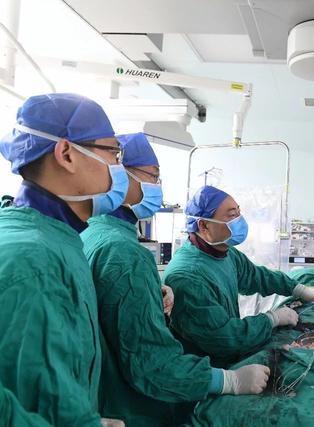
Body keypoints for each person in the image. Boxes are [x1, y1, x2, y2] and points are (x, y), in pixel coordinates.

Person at [81, 134, 271, 426]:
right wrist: (229, 381)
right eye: (153, 177)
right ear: (120, 174)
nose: (157, 187)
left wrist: (151, 294)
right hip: (130, 407)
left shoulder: (94, 232)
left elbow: (106, 303)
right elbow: (150, 363)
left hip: (102, 393)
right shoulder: (126, 254)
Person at [0, 93, 128, 426]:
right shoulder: (35, 263)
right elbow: (37, 406)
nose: (119, 168)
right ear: (67, 154)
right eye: (113, 153)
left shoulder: (55, 237)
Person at [163, 185, 314, 368]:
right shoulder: (187, 277)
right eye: (231, 215)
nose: (239, 220)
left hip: (228, 357)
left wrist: (298, 288)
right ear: (203, 225)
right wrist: (271, 319)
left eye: (239, 212)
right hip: (206, 370)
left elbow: (256, 276)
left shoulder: (224, 252)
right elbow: (222, 337)